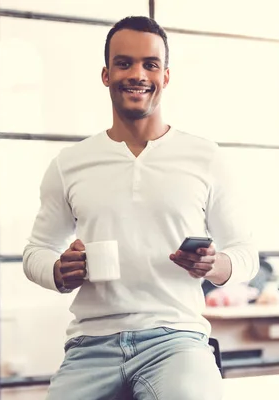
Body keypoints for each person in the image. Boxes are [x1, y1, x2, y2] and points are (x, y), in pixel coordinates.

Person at [22, 15, 259, 400]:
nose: (137, 74)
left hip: (176, 340)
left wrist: (213, 265)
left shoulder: (205, 157)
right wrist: (58, 271)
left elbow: (246, 254)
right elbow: (35, 251)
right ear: (105, 74)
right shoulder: (70, 163)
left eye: (150, 64)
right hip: (90, 345)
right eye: (124, 63)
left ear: (165, 76)